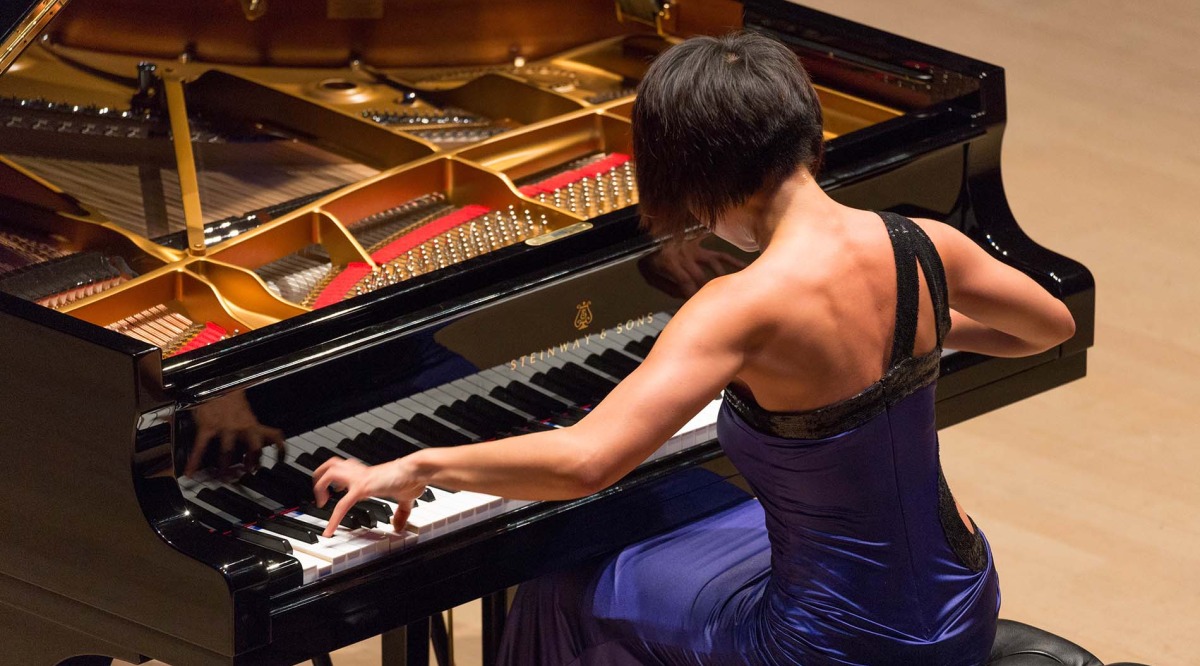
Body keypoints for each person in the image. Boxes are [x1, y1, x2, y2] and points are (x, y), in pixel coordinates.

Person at [312, 32, 1076, 665]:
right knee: (691, 525)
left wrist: (420, 464)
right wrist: (921, 339)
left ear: (696, 172)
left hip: (831, 646)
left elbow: (586, 463)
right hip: (962, 599)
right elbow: (1046, 327)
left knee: (565, 583)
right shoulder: (922, 245)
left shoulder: (738, 308)